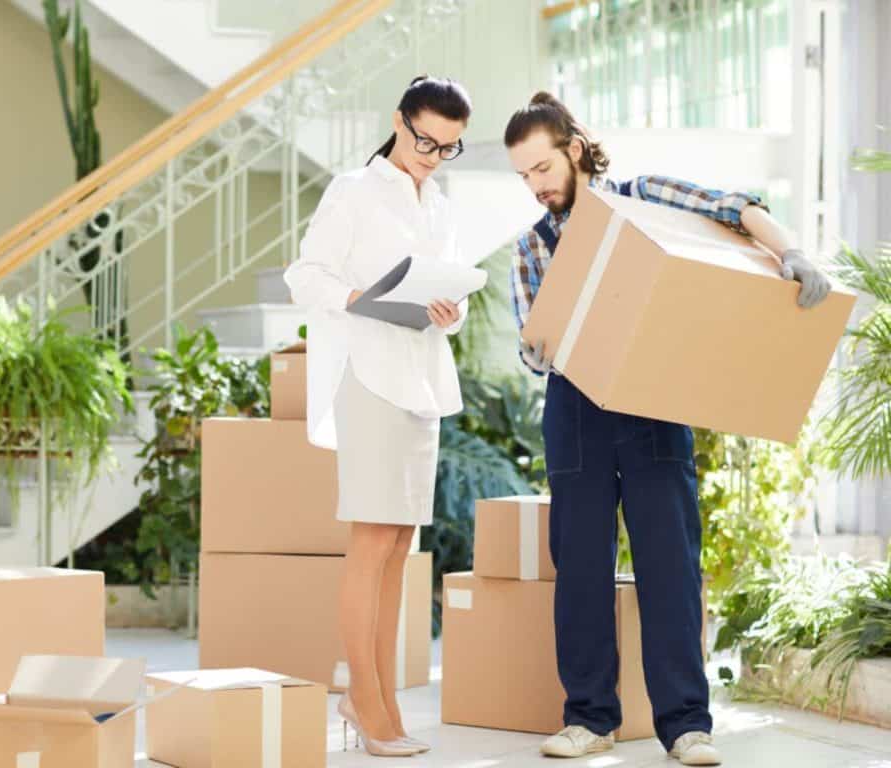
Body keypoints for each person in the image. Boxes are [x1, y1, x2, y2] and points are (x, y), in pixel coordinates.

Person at [503, 91, 831, 767]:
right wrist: (537, 347)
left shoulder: (644, 197)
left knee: (669, 564)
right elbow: (532, 343)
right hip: (575, 407)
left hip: (653, 401)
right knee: (582, 567)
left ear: (572, 148)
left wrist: (792, 253)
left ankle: (686, 726)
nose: (535, 186)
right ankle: (588, 719)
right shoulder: (531, 246)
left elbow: (730, 208)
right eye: (523, 176)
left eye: (541, 168)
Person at [284, 75, 473, 758]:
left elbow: (455, 291)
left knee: (398, 547)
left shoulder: (441, 205)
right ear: (399, 121)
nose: (432, 154)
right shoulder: (353, 191)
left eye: (447, 147)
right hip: (368, 376)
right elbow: (305, 275)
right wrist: (364, 297)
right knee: (371, 541)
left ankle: (382, 698)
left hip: (423, 381)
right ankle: (364, 698)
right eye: (425, 139)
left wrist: (451, 311)